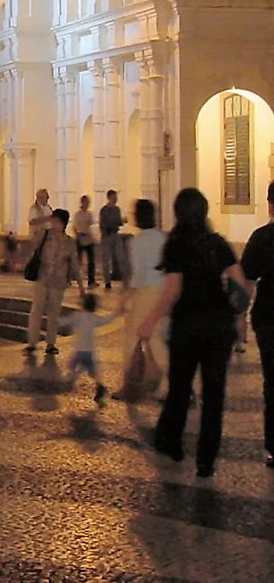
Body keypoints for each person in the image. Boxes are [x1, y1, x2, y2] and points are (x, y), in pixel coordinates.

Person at [138, 187, 253, 478]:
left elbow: (173, 290)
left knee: (179, 388)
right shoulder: (218, 243)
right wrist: (239, 317)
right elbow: (240, 282)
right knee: (214, 395)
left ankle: (173, 444)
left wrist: (150, 320)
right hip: (218, 328)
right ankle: (206, 460)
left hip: (187, 326)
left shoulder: (176, 243)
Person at [115, 199, 168, 400]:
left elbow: (137, 275)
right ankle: (179, 385)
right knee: (156, 339)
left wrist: (125, 297)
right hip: (162, 291)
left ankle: (129, 383)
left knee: (132, 337)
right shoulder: (162, 237)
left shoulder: (137, 242)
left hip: (146, 292)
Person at [240, 181, 274, 470]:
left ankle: (273, 446)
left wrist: (238, 315)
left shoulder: (262, 238)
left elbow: (247, 280)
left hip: (269, 317)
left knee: (272, 381)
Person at [25, 208, 81, 356]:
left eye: (57, 221)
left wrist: (81, 287)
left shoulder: (69, 242)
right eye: (53, 221)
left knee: (54, 314)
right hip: (42, 278)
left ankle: (51, 343)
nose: (54, 224)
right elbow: (32, 243)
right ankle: (32, 342)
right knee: (36, 310)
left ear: (64, 223)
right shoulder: (44, 235)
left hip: (59, 281)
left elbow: (74, 264)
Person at [64, 292, 114, 405]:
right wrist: (115, 314)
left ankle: (71, 381)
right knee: (92, 371)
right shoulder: (94, 318)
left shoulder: (77, 316)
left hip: (79, 350)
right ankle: (100, 386)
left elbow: (65, 321)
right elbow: (106, 320)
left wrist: (56, 320)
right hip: (90, 351)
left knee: (73, 366)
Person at [98, 189, 125, 290]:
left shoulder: (117, 209)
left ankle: (123, 278)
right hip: (107, 235)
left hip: (115, 234)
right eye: (114, 197)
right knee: (106, 259)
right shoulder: (104, 210)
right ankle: (107, 281)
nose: (116, 199)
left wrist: (120, 222)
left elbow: (118, 221)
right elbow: (103, 224)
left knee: (120, 257)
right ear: (109, 198)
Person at [72, 195, 96, 289]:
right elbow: (75, 226)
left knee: (91, 261)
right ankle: (77, 279)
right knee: (78, 261)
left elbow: (90, 225)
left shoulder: (89, 214)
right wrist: (77, 236)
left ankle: (91, 281)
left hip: (88, 238)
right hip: (80, 237)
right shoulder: (77, 214)